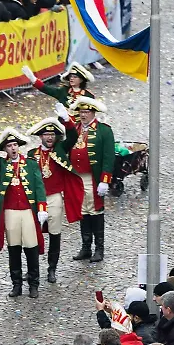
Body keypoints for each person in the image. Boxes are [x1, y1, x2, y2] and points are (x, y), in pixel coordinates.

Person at [0, 124, 47, 298]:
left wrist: (42, 207)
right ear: (5, 149)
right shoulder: (2, 165)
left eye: (15, 145)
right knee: (14, 249)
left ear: (18, 147)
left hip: (27, 211)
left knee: (31, 248)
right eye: (9, 146)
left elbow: (39, 186)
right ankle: (16, 285)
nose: (13, 148)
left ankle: (34, 284)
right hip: (10, 212)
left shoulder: (31, 164)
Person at [26, 117, 84, 283]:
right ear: (40, 136)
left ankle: (52, 269)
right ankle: (32, 269)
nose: (49, 137)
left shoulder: (60, 149)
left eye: (52, 134)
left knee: (54, 234)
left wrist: (67, 120)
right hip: (37, 201)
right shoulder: (32, 155)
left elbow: (73, 136)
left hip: (54, 198)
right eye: (46, 134)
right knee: (32, 235)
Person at [63, 96, 115, 262]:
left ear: (93, 113)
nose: (83, 115)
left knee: (95, 211)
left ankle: (99, 249)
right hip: (77, 178)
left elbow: (108, 157)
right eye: (81, 112)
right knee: (83, 211)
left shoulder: (104, 131)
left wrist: (105, 179)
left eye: (86, 112)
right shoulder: (74, 130)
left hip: (93, 178)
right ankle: (86, 247)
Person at [22, 63, 95, 109]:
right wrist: (33, 79)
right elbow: (47, 89)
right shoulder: (63, 91)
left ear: (81, 80)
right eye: (70, 77)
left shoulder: (88, 96)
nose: (72, 79)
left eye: (75, 77)